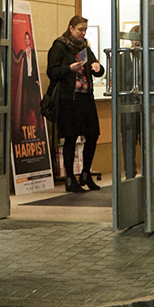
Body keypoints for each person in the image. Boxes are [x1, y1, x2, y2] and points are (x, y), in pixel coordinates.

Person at [46, 16, 106, 193]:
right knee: (70, 137)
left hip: (85, 97)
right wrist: (69, 69)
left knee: (93, 134)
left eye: (85, 29)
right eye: (80, 29)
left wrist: (98, 67)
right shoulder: (60, 46)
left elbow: (96, 68)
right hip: (68, 99)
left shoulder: (85, 47)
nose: (83, 33)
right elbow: (52, 71)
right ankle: (70, 178)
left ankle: (86, 174)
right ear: (70, 28)